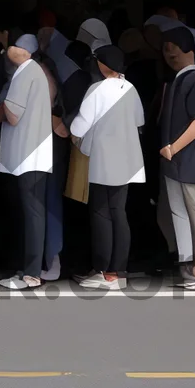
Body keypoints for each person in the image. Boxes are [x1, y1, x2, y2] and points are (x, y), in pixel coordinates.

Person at [68, 44, 145, 289]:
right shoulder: (131, 88)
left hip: (103, 159)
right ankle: (117, 272)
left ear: (102, 64)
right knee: (119, 213)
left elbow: (78, 127)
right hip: (129, 159)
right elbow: (139, 120)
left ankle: (102, 271)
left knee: (101, 213)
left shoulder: (96, 89)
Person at [0, 33, 54, 289]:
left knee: (32, 212)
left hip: (29, 152)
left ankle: (30, 274)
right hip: (35, 150)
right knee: (34, 212)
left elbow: (13, 113)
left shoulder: (26, 72)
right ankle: (29, 270)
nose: (8, 50)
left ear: (24, 50)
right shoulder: (36, 71)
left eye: (13, 45)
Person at [156, 26, 195, 288]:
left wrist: (173, 147)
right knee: (178, 211)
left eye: (174, 48)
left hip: (185, 158)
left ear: (189, 50)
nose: (169, 53)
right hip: (175, 159)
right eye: (166, 48)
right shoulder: (179, 78)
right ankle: (188, 264)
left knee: (193, 211)